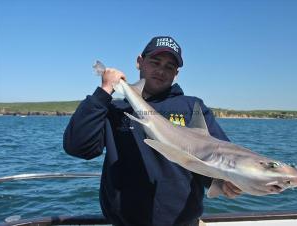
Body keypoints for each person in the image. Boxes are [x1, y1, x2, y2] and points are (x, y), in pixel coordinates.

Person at [63, 36, 242, 226]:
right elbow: (78, 147)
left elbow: (215, 158)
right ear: (139, 62)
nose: (161, 71)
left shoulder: (192, 108)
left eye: (169, 67)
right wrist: (104, 91)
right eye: (155, 62)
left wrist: (222, 181)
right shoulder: (115, 110)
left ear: (177, 74)